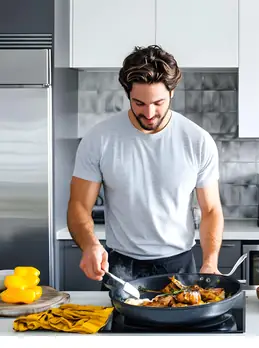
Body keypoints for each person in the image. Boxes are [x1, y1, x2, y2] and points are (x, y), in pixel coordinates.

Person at [66, 45, 224, 287]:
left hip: (179, 265)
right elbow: (78, 205)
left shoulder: (197, 141)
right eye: (138, 103)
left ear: (172, 92)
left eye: (158, 103)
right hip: (120, 267)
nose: (149, 113)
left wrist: (210, 262)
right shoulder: (99, 138)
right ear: (127, 93)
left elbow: (211, 210)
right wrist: (90, 245)